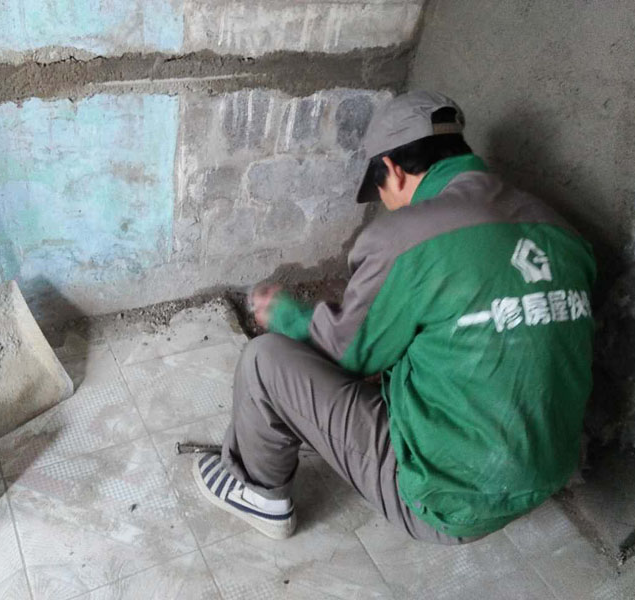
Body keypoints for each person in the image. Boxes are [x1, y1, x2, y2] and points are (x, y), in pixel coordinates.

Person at [193, 90, 596, 543]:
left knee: (264, 361)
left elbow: (346, 353)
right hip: (544, 475)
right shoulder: (561, 230)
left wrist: (287, 314)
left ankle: (259, 495)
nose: (388, 203)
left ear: (393, 169)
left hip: (452, 498)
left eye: (381, 191)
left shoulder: (409, 235)